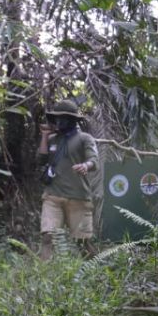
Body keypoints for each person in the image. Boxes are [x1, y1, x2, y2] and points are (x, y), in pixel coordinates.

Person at [37, 99, 99, 260]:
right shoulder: (52, 139)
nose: (59, 121)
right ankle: (44, 278)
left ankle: (96, 273)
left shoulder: (85, 138)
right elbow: (41, 160)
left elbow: (95, 161)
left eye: (63, 117)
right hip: (52, 197)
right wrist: (44, 136)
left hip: (78, 197)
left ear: (72, 120)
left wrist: (86, 165)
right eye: (57, 117)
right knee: (47, 237)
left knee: (82, 242)